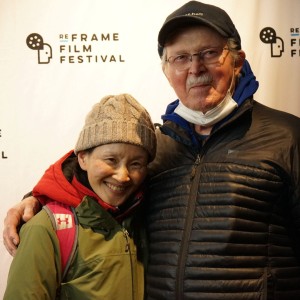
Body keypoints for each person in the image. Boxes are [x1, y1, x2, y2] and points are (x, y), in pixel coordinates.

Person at [3, 1, 300, 299]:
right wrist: (36, 198)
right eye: (180, 58)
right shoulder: (153, 148)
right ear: (167, 71)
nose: (195, 68)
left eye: (209, 53)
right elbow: (91, 176)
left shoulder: (287, 136)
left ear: (236, 61)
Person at [3, 93, 156, 299]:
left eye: (136, 164)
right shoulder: (45, 228)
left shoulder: (144, 214)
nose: (123, 176)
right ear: (83, 158)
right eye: (111, 159)